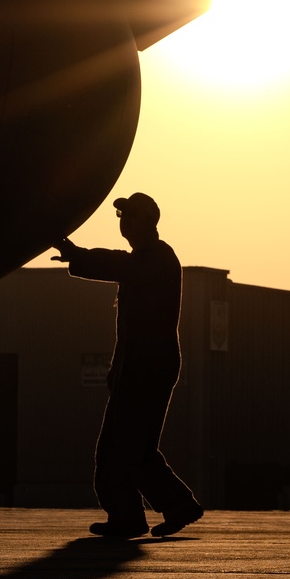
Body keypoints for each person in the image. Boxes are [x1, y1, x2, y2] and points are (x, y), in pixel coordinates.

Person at [52, 192, 203, 538]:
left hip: (150, 368)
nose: (123, 222)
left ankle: (166, 507)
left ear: (149, 221)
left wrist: (77, 255)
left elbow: (120, 265)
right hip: (137, 367)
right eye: (121, 216)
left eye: (130, 216)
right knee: (120, 446)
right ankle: (130, 515)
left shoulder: (156, 260)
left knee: (130, 446)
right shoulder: (145, 260)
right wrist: (117, 368)